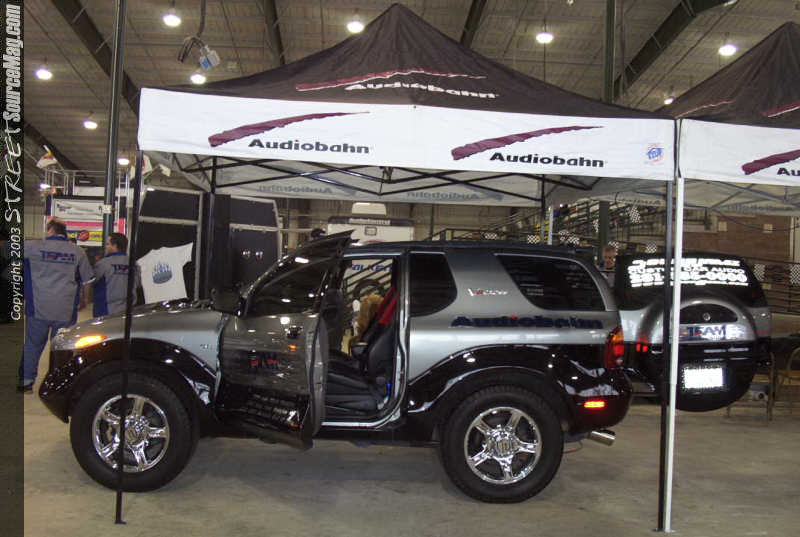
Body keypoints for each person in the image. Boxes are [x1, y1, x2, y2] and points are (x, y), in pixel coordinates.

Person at [19, 219, 93, 392]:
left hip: (38, 308)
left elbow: (7, 250)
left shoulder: (33, 246)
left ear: (50, 230)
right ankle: (59, 385)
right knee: (62, 349)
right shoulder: (77, 251)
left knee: (33, 345)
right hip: (65, 310)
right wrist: (85, 300)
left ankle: (26, 383)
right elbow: (87, 280)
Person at [93, 232, 140, 317]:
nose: (106, 247)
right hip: (129, 310)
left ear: (114, 246)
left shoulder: (103, 263)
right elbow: (138, 284)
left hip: (105, 310)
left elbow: (92, 281)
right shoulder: (135, 264)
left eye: (108, 244)